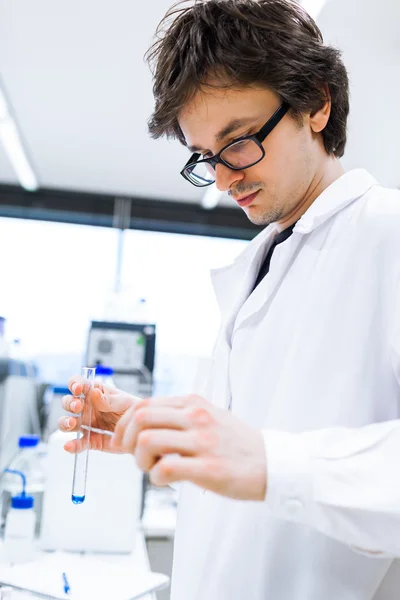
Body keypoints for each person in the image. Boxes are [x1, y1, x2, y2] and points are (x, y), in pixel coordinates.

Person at [59, 1, 400, 598]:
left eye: (238, 142)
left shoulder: (387, 233)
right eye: (204, 156)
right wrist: (167, 437)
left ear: (317, 104)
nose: (222, 179)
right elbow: (254, 476)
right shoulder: (262, 263)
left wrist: (272, 461)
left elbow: (273, 462)